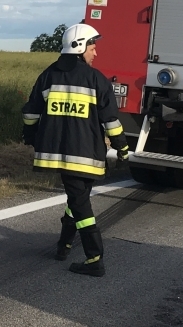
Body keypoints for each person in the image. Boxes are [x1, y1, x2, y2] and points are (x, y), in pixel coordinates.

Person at [22, 23, 129, 276]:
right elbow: (111, 121)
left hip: (58, 154)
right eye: (92, 47)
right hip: (86, 156)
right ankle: (95, 258)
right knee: (81, 204)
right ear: (79, 47)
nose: (96, 53)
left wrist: (32, 136)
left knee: (77, 199)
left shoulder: (47, 76)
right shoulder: (96, 80)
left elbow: (30, 113)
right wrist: (122, 148)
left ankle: (64, 244)